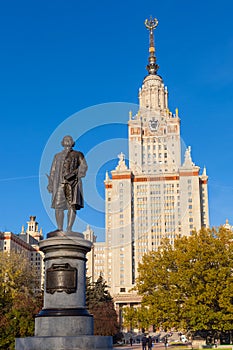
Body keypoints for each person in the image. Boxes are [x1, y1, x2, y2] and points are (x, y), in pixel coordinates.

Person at [47, 135, 88, 232]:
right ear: (62, 142)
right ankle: (60, 228)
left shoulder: (78, 154)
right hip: (60, 183)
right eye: (65, 139)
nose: (68, 141)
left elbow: (84, 166)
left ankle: (69, 228)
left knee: (72, 205)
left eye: (70, 139)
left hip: (73, 183)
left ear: (72, 142)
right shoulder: (57, 156)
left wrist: (75, 174)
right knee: (58, 205)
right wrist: (51, 183)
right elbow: (52, 171)